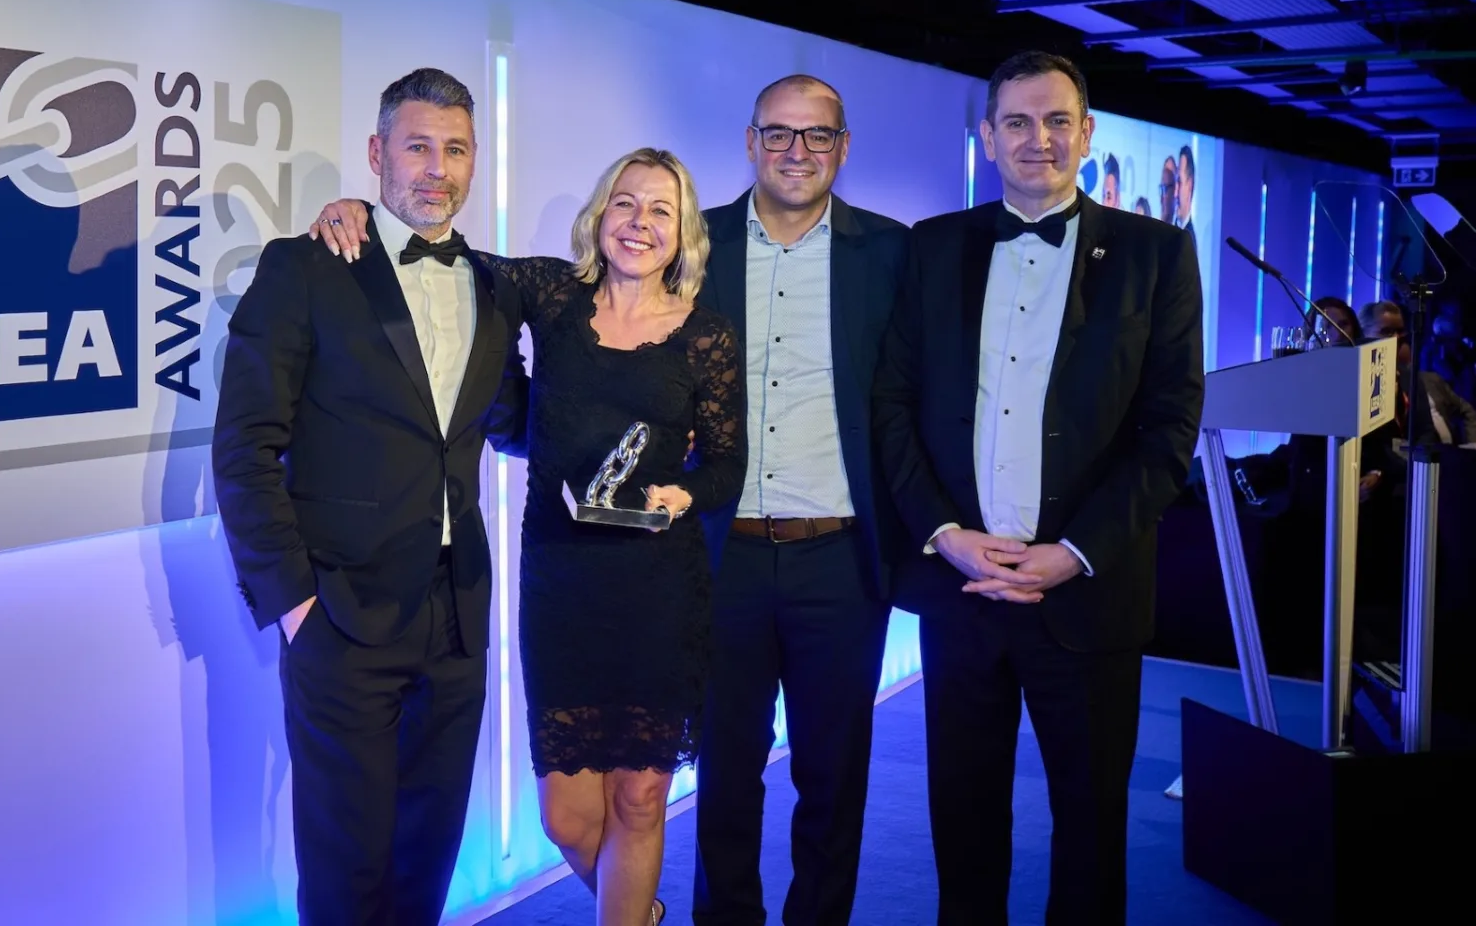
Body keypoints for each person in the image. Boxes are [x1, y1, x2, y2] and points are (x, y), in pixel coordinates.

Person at [310, 148, 748, 926]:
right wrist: (361, 216)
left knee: (640, 798)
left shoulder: (706, 336)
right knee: (567, 820)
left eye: (661, 211)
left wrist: (685, 492)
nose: (639, 223)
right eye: (625, 203)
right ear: (599, 215)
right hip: (561, 590)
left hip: (659, 594)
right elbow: (447, 256)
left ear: (684, 234)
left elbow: (725, 465)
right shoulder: (551, 295)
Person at [872, 51, 1205, 925]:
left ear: (1086, 133)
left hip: (1088, 595)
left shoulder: (1157, 254)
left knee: (1091, 831)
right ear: (987, 137)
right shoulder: (931, 246)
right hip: (961, 589)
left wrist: (1075, 553)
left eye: (1057, 120)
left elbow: (1170, 431)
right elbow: (892, 405)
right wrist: (943, 533)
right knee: (963, 826)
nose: (1038, 139)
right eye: (1017, 121)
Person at [212, 68, 529, 925]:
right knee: (345, 876)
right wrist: (295, 605)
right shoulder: (307, 268)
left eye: (455, 149)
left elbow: (514, 422)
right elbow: (244, 447)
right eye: (417, 147)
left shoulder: (494, 285)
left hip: (458, 618)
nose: (437, 169)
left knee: (428, 865)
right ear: (376, 153)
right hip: (341, 616)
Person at [690, 74, 908, 926]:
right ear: (750, 142)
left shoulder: (890, 253)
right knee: (723, 772)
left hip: (840, 561)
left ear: (843, 148)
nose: (796, 151)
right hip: (722, 555)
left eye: (817, 135)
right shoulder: (693, 243)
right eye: (778, 133)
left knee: (834, 776)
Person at [1363, 300, 1476, 446]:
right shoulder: (1359, 381)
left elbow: (1426, 430)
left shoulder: (1418, 378)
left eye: (1400, 331)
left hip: (1434, 454)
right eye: (1386, 332)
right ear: (1363, 334)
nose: (1396, 338)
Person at [1174, 145, 1198, 238]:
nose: (1175, 193)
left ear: (1190, 186)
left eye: (1180, 182)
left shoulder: (1190, 241)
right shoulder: (1169, 229)